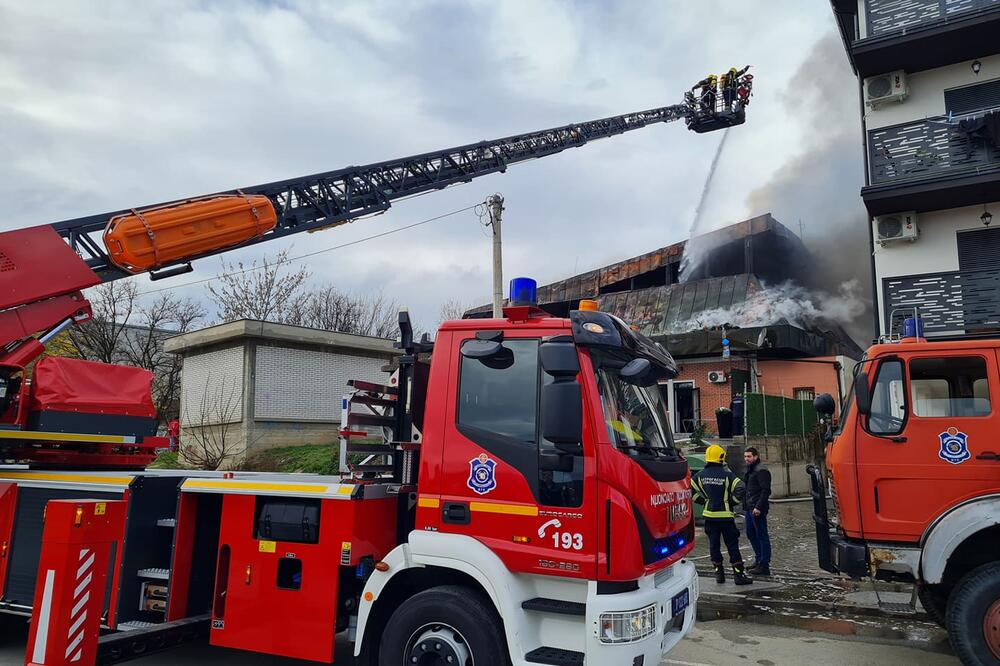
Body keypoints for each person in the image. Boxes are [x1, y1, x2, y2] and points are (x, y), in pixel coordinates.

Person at [691, 444, 753, 585]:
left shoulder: (700, 476)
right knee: (732, 545)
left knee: (714, 545)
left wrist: (702, 501)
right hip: (725, 516)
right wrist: (732, 502)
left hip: (709, 516)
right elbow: (741, 487)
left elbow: (689, 489)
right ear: (721, 457)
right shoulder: (727, 475)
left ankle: (719, 574)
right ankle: (738, 575)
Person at [743, 446, 772, 576]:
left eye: (749, 456)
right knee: (751, 534)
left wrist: (758, 507)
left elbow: (766, 491)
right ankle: (759, 559)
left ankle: (764, 564)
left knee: (761, 535)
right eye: (745, 457)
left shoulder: (761, 470)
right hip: (750, 507)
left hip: (757, 509)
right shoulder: (751, 470)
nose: (746, 459)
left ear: (755, 456)